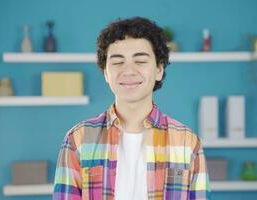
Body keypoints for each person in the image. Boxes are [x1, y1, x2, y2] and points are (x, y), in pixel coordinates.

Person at [53, 16, 210, 200]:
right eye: (118, 62)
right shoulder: (77, 139)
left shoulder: (188, 143)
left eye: (140, 61)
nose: (128, 71)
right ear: (105, 72)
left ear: (159, 69)